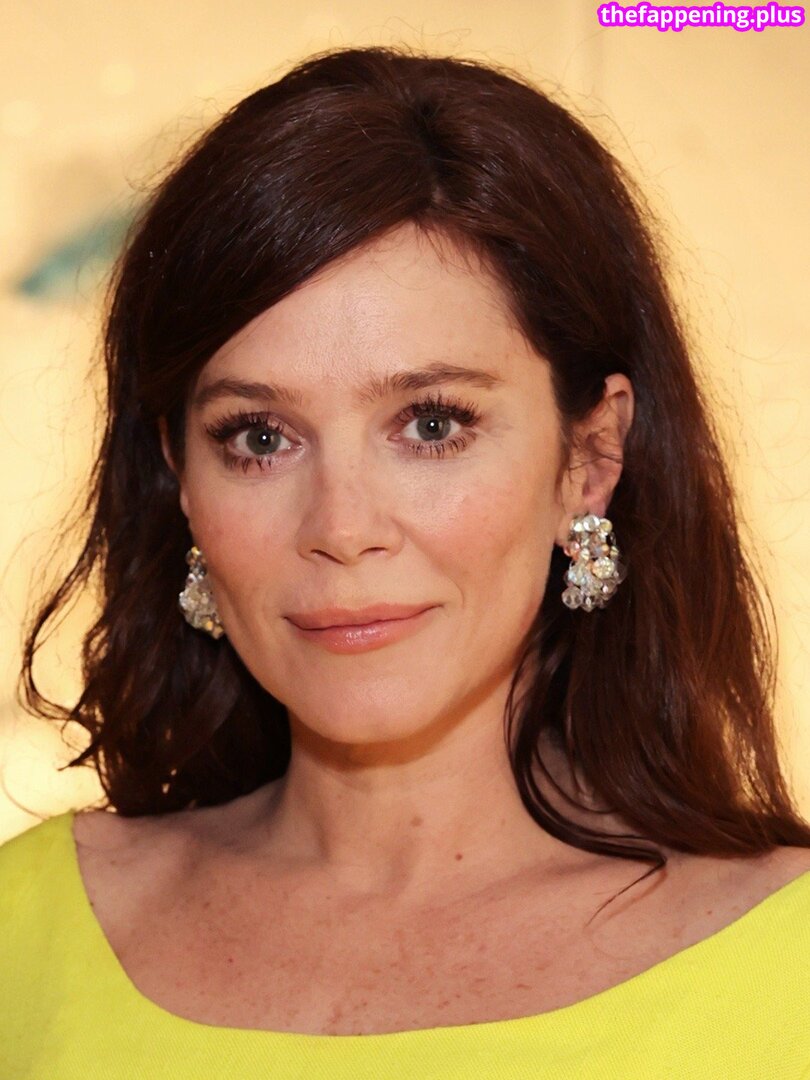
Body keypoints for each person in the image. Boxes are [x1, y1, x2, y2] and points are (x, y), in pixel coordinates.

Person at [2, 43, 809, 1080]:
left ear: (591, 457)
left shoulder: (784, 965)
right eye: (259, 437)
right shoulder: (24, 939)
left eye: (432, 423)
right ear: (180, 478)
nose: (342, 527)